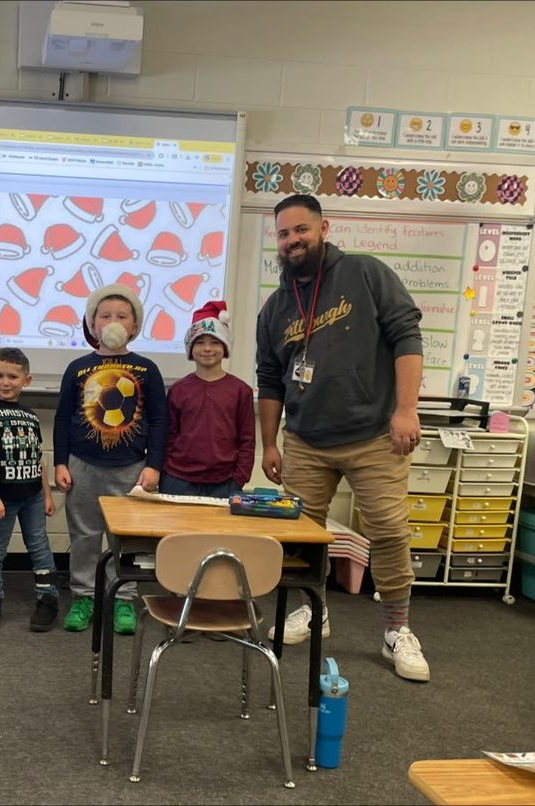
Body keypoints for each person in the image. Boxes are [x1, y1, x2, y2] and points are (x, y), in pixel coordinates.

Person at [256, 193, 430, 682]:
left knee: (390, 531)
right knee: (301, 538)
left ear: (323, 228)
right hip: (307, 439)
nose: (292, 240)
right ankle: (314, 609)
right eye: (284, 234)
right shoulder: (274, 307)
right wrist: (269, 444)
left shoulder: (366, 273)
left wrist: (406, 409)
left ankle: (398, 630)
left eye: (301, 230)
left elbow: (406, 337)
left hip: (375, 433)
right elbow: (269, 379)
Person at [54, 283, 167, 635]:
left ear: (134, 326)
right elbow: (61, 418)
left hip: (131, 468)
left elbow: (160, 420)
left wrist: (154, 465)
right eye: (104, 316)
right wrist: (60, 462)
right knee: (85, 536)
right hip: (82, 466)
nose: (113, 321)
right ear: (92, 324)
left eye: (122, 315)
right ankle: (85, 596)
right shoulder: (76, 368)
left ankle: (123, 599)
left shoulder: (147, 369)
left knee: (127, 539)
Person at [0, 347, 59, 631]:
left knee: (40, 546)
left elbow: (38, 457)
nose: (5, 382)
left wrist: (46, 494)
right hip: (3, 497)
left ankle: (48, 599)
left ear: (26, 380)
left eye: (12, 376)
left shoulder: (31, 415)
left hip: (32, 495)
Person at [162, 299, 254, 497]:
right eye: (200, 343)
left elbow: (247, 441)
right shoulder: (178, 389)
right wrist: (166, 472)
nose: (207, 349)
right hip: (178, 480)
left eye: (215, 342)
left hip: (225, 483)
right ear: (190, 349)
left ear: (225, 347)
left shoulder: (241, 391)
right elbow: (169, 435)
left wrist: (239, 479)